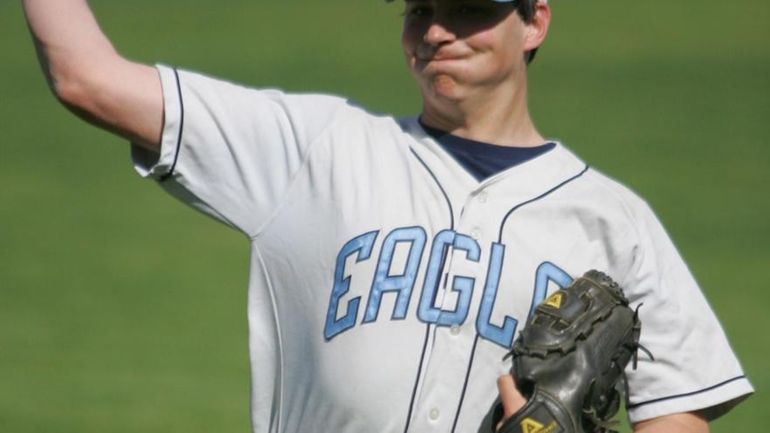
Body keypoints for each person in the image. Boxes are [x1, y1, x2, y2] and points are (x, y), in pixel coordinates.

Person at [23, 0, 753, 432]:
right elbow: (87, 77)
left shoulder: (616, 223)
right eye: (418, 10)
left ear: (534, 21)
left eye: (465, 8)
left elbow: (676, 415)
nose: (436, 31)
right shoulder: (316, 147)